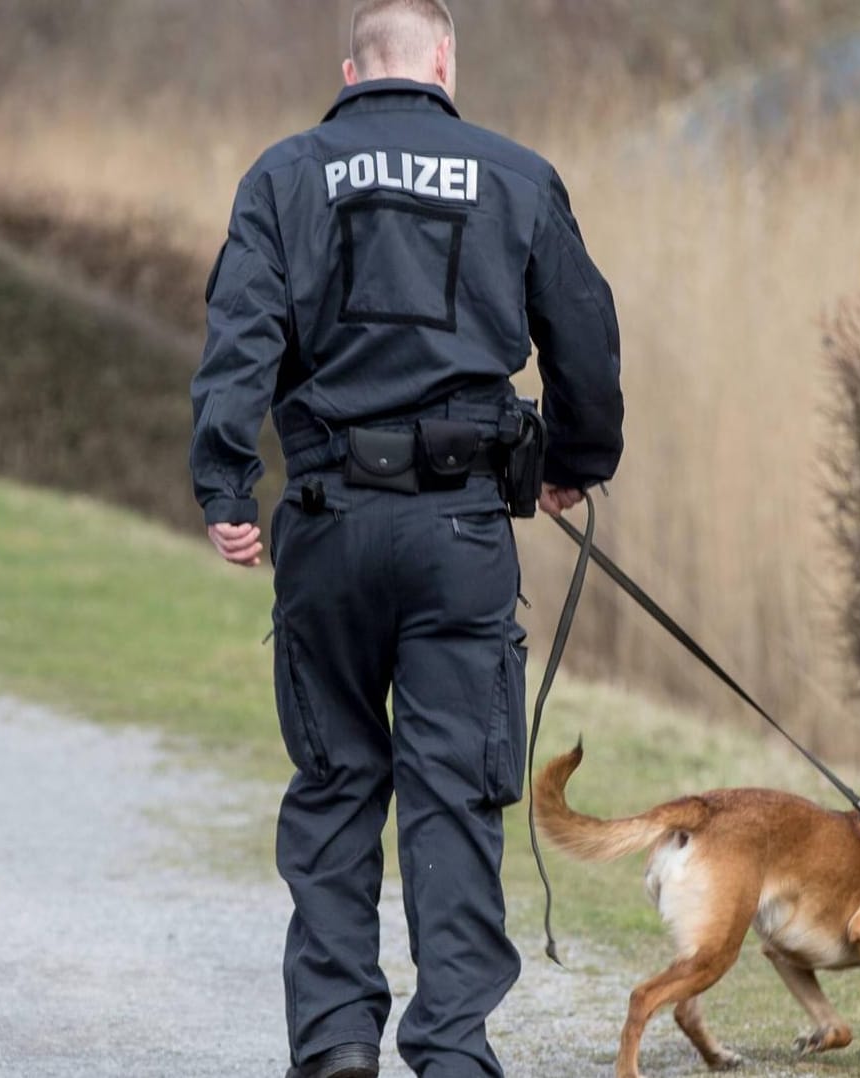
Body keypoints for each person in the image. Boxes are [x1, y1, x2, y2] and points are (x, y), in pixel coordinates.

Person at [187, 1, 624, 1075]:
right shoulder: (515, 174)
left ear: (351, 69)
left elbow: (238, 337)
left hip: (329, 524)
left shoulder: (284, 176)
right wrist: (576, 460)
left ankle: (336, 1040)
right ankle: (452, 1047)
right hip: (460, 532)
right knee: (452, 789)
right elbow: (584, 335)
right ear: (443, 61)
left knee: (337, 779)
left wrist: (226, 484)